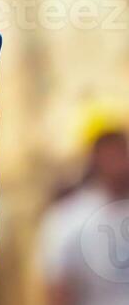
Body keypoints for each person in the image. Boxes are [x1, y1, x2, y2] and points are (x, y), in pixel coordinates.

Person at [39, 100, 129, 305]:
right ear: (92, 155)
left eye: (119, 146)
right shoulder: (67, 219)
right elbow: (57, 288)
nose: (116, 156)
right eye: (106, 148)